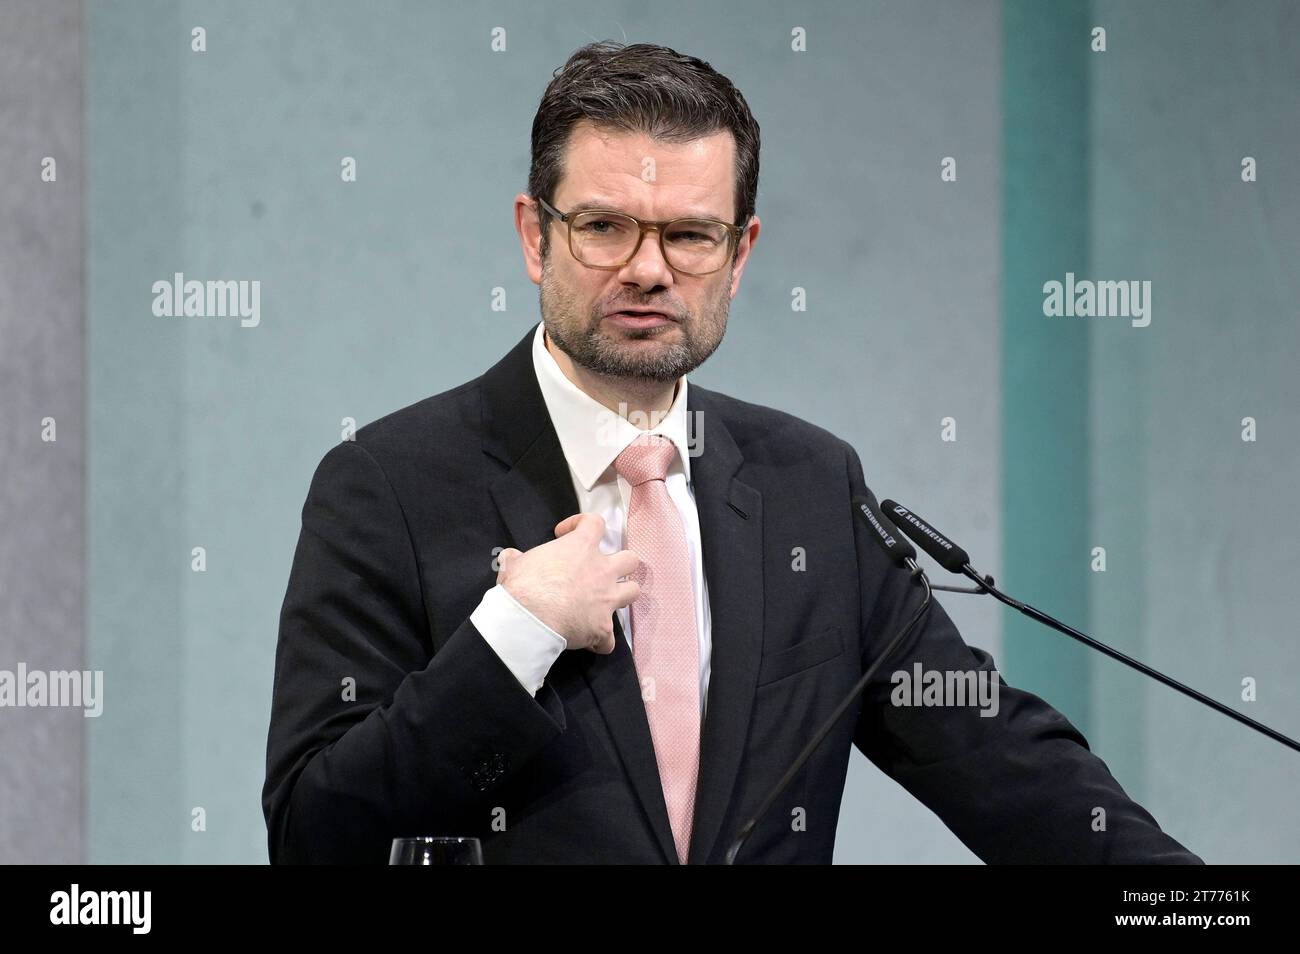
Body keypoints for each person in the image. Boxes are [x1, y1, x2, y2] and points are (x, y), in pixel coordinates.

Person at [262, 41, 1202, 865]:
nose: (647, 268)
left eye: (689, 236)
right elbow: (316, 827)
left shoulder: (809, 485)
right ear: (533, 236)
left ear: (740, 253)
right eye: (603, 227)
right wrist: (517, 632)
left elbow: (999, 760)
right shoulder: (390, 485)